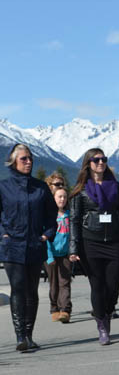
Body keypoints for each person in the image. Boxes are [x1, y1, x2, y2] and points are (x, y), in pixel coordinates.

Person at [69, 148, 119, 345]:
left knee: (113, 286)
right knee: (97, 286)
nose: (101, 162)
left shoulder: (116, 187)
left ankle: (107, 312)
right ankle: (102, 323)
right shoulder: (80, 189)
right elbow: (74, 220)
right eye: (96, 159)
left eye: (103, 159)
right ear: (88, 163)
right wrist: (73, 249)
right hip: (90, 243)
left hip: (115, 243)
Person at [0, 144, 57, 351]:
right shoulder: (3, 187)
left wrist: (46, 235)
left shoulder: (41, 187)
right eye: (24, 159)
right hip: (11, 246)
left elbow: (52, 216)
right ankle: (20, 337)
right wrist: (3, 234)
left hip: (35, 244)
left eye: (30, 158)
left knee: (31, 291)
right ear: (14, 161)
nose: (28, 162)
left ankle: (29, 334)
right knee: (18, 288)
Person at [46, 186, 72, 323]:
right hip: (51, 255)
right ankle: (54, 308)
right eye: (59, 196)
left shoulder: (69, 216)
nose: (62, 199)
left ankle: (65, 310)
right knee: (54, 283)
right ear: (54, 198)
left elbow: (72, 236)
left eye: (64, 197)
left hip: (65, 255)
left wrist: (72, 252)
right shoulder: (49, 216)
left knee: (65, 282)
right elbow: (45, 239)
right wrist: (49, 256)